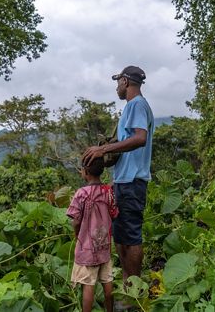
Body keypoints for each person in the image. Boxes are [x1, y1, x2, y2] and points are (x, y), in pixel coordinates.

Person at [82, 65, 154, 284]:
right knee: (122, 238)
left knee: (131, 238)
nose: (116, 88)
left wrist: (103, 149)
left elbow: (140, 138)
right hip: (124, 182)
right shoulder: (133, 107)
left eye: (118, 82)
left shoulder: (137, 105)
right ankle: (127, 285)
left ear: (125, 82)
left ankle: (133, 292)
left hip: (132, 182)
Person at [67, 156, 119, 312]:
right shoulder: (108, 191)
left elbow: (75, 220)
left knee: (88, 287)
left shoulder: (81, 193)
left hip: (87, 248)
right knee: (108, 284)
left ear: (85, 172)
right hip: (104, 246)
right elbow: (114, 214)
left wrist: (77, 235)